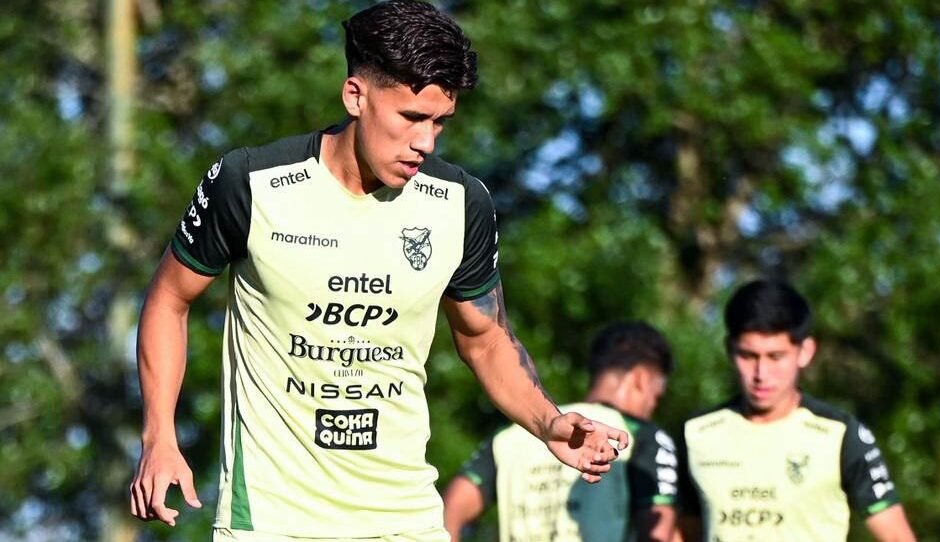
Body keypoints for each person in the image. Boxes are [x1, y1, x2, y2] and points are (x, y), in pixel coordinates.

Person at [127, 2, 628, 540]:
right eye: (411, 118)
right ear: (355, 96)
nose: (426, 142)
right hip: (269, 521)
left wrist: (548, 422)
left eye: (440, 122)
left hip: (406, 520)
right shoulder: (250, 182)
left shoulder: (461, 204)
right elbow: (169, 300)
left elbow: (485, 340)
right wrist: (159, 437)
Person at [676, 280, 917, 542]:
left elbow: (897, 537)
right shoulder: (696, 434)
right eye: (748, 356)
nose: (761, 374)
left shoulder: (840, 434)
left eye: (776, 356)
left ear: (805, 352)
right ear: (729, 350)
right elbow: (683, 533)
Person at [443, 321, 679, 542]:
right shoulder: (642, 436)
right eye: (656, 398)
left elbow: (452, 507)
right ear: (640, 379)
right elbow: (659, 533)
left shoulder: (514, 434)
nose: (653, 407)